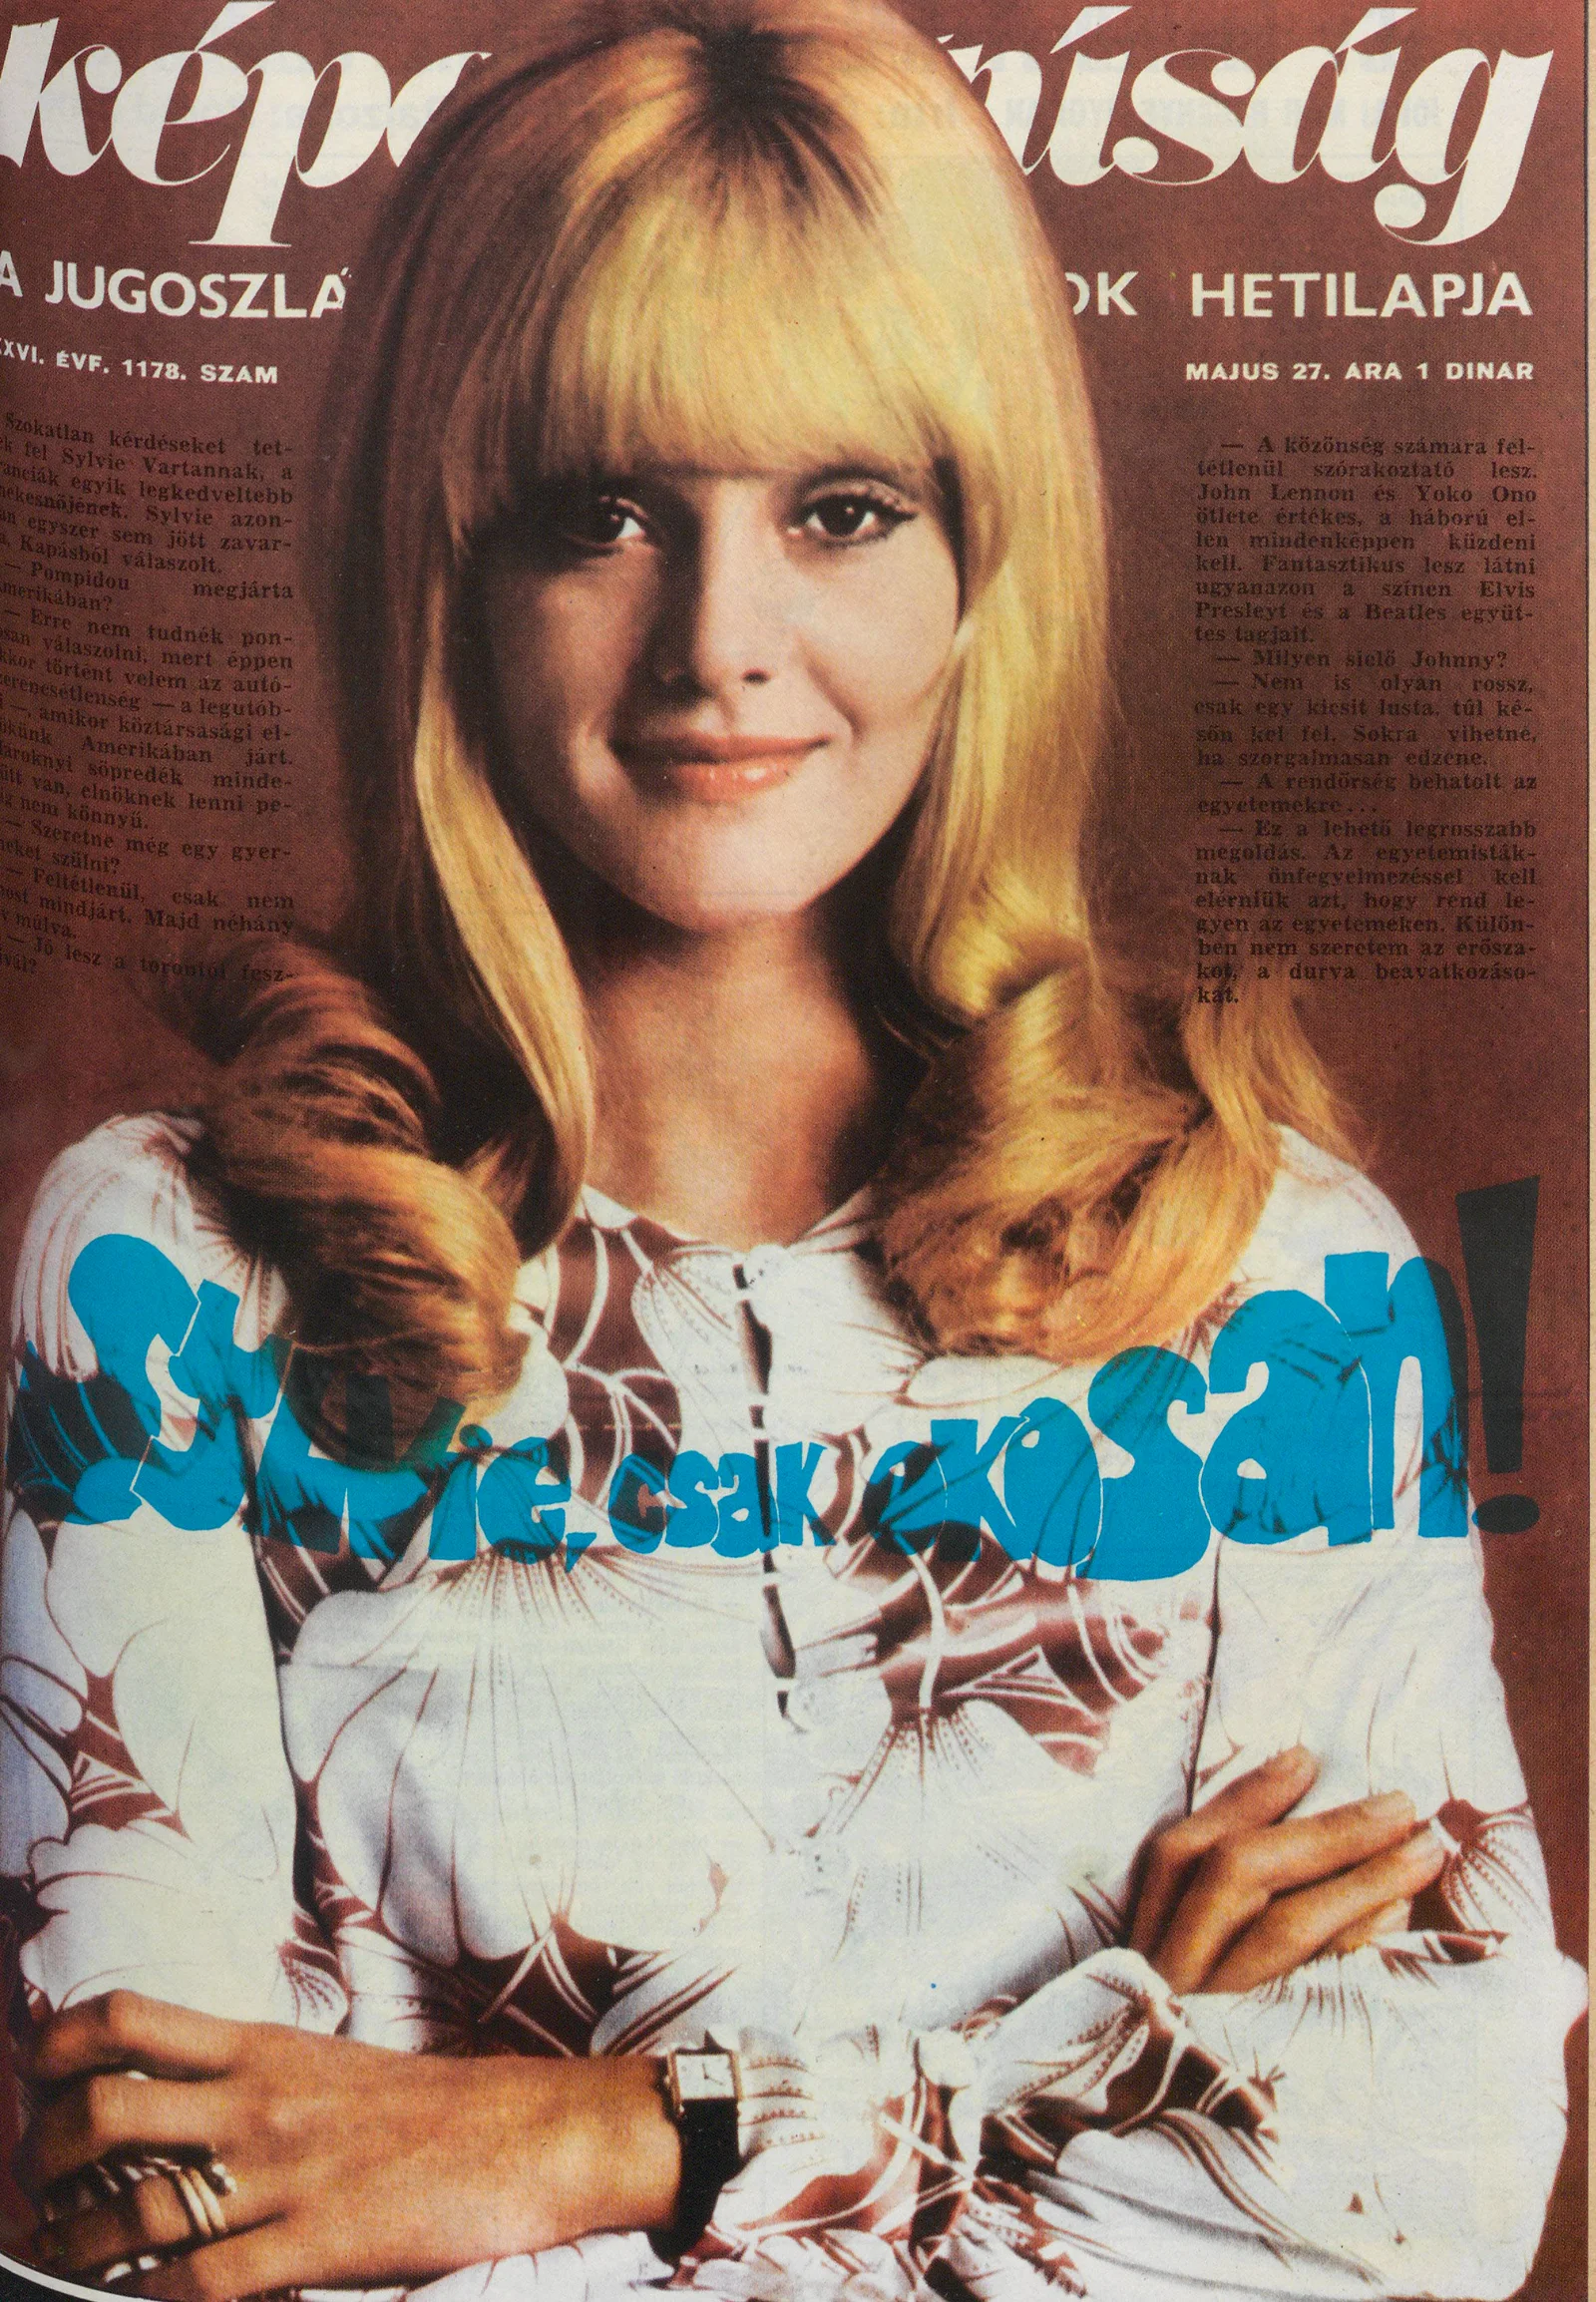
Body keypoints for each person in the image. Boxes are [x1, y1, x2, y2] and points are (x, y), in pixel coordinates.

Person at [0, 1, 1582, 2296]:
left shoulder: (1266, 1268)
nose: (715, 644)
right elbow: (161, 2211)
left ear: (980, 561)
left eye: (839, 511)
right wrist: (1099, 2061)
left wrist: (596, 2132)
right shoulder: (169, 1262)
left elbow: (1423, 2177)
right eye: (600, 512)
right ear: (443, 569)